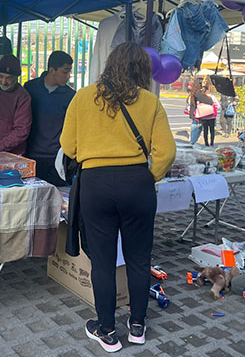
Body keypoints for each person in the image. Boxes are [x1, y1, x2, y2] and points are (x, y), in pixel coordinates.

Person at [60, 42, 175, 352]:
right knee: (139, 259)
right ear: (143, 70)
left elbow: (68, 146)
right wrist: (149, 176)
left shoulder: (83, 96)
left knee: (102, 262)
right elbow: (166, 152)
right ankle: (137, 325)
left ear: (110, 64)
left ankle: (107, 330)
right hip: (137, 183)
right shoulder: (150, 101)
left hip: (96, 184)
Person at [24, 51, 75, 185]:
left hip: (57, 159)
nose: (68, 76)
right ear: (52, 70)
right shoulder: (30, 88)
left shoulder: (71, 96)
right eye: (65, 71)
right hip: (31, 157)